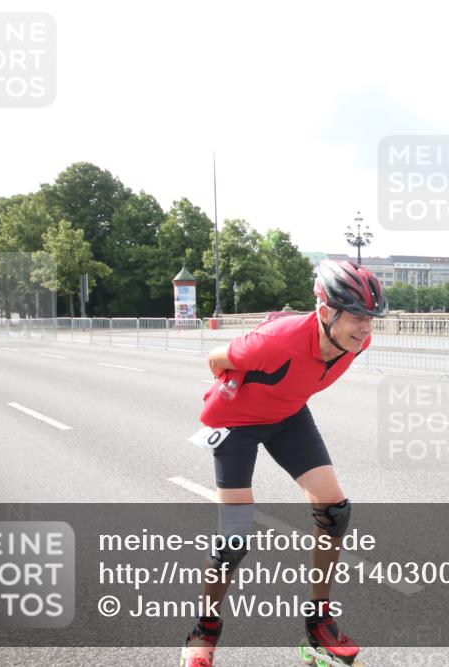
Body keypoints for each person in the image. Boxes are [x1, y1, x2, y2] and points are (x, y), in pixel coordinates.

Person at [180, 259, 387, 667]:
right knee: (233, 540)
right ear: (325, 312)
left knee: (334, 512)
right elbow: (216, 359)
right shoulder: (275, 341)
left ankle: (319, 625)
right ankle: (204, 631)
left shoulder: (356, 343)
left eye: (371, 318)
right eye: (357, 316)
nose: (366, 328)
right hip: (238, 423)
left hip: (288, 416)